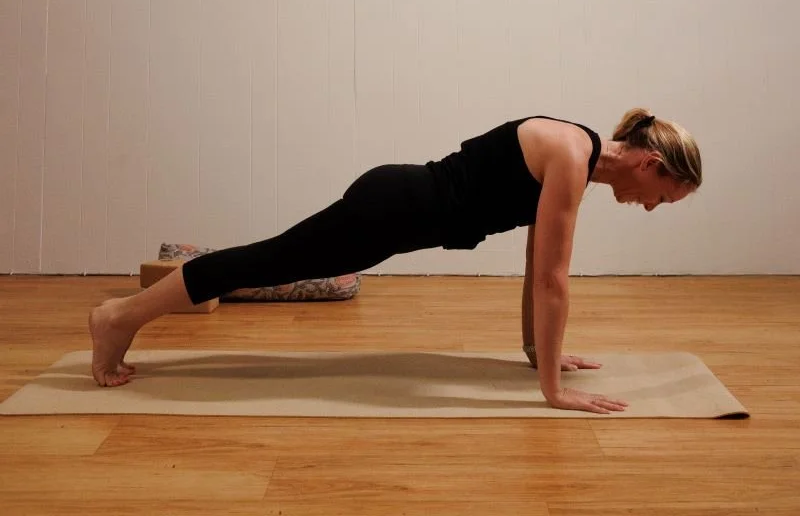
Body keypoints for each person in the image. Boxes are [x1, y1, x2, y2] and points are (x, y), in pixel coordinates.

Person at [89, 107, 701, 412]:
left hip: (397, 209)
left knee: (267, 261)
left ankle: (123, 316)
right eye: (662, 198)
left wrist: (539, 353)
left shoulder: (578, 158)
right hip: (392, 208)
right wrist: (552, 394)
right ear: (651, 164)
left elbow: (537, 268)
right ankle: (119, 317)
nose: (650, 208)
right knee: (263, 262)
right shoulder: (571, 155)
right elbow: (551, 280)